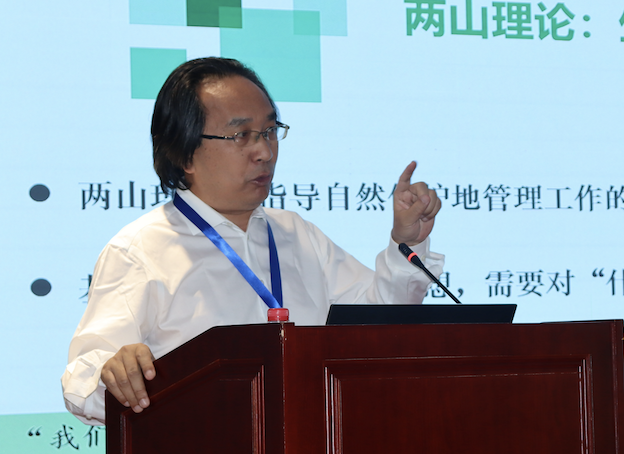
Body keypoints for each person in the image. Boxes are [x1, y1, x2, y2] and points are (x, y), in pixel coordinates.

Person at [61, 57, 443, 425]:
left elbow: (379, 325)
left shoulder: (296, 233)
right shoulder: (139, 251)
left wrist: (406, 242)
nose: (265, 151)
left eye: (270, 131)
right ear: (184, 153)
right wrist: (115, 373)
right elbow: (83, 383)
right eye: (241, 135)